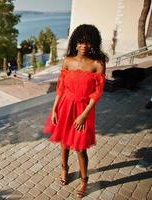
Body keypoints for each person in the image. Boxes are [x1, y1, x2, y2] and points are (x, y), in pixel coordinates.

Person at [43, 24, 108, 198]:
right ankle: (64, 170)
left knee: (80, 148)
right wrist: (54, 109)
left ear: (93, 43)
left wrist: (84, 115)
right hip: (65, 105)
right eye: (81, 42)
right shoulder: (68, 61)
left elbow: (97, 93)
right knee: (64, 142)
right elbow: (60, 87)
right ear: (75, 42)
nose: (84, 45)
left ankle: (84, 180)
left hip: (83, 110)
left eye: (88, 42)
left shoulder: (97, 64)